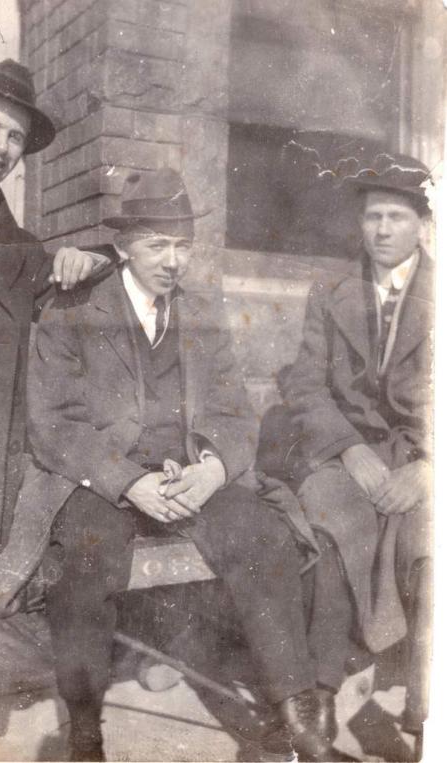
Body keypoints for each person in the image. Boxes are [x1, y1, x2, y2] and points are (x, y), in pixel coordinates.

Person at [0, 168, 355, 761]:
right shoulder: (75, 308)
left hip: (189, 478)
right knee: (86, 552)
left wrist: (213, 468)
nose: (173, 259)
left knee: (263, 535)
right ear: (125, 246)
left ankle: (297, 719)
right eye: (158, 244)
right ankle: (85, 729)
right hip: (100, 481)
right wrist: (130, 481)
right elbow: (52, 424)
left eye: (183, 244)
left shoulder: (201, 311)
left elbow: (236, 412)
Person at [0, 58, 112, 685]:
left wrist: (85, 256)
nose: (1, 147)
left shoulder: (17, 240)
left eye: (15, 137)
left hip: (0, 434)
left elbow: (79, 271)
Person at [286, 153, 433, 742]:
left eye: (397, 216)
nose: (382, 230)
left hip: (423, 458)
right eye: (373, 217)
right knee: (330, 524)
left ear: (423, 223)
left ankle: (424, 706)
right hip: (341, 450)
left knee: (427, 545)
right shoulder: (332, 289)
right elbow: (304, 383)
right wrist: (348, 449)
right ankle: (323, 692)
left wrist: (429, 468)